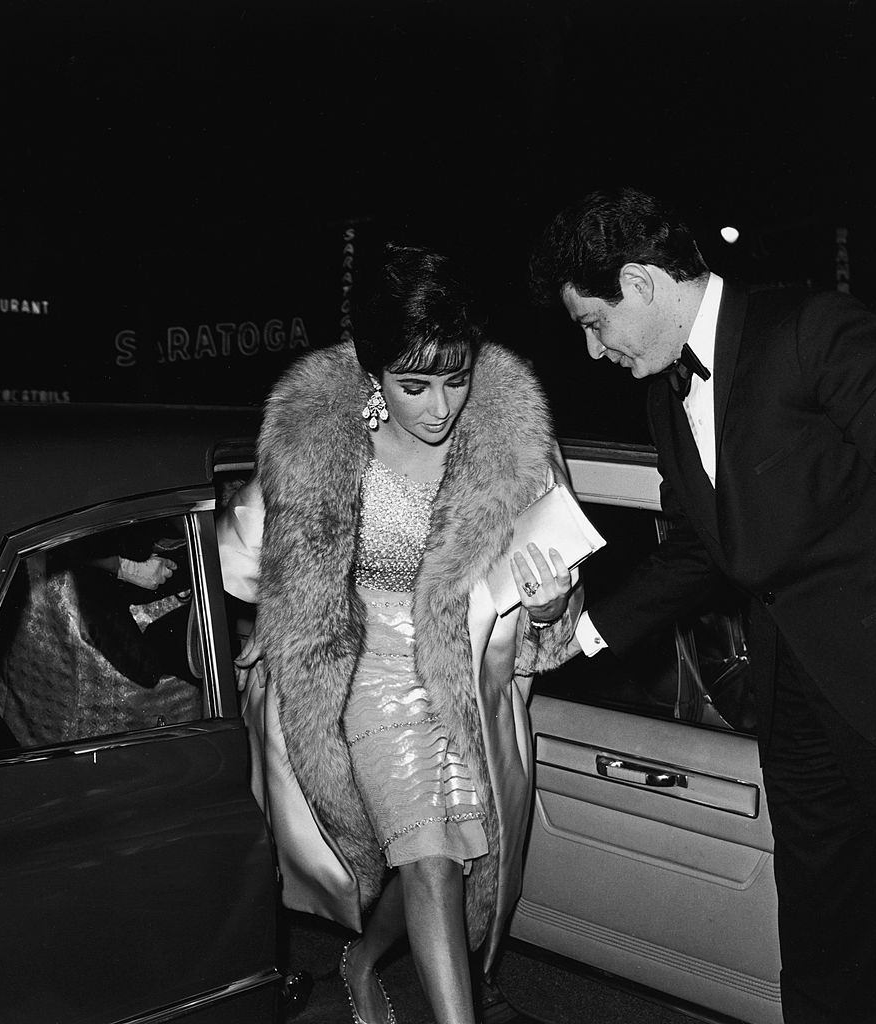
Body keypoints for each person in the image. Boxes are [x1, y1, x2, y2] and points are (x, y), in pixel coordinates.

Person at [530, 185, 876, 1024]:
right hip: (792, 698)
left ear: (643, 283)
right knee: (823, 927)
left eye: (593, 322)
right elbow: (701, 549)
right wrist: (581, 635)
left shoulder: (810, 330)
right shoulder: (663, 395)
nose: (592, 352)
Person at [217, 244, 580, 1024]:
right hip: (372, 679)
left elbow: (553, 593)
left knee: (454, 857)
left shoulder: (512, 453)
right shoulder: (321, 443)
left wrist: (549, 608)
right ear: (373, 375)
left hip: (465, 681)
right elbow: (246, 563)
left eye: (457, 378)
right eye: (413, 385)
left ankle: (362, 957)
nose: (440, 406)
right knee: (432, 863)